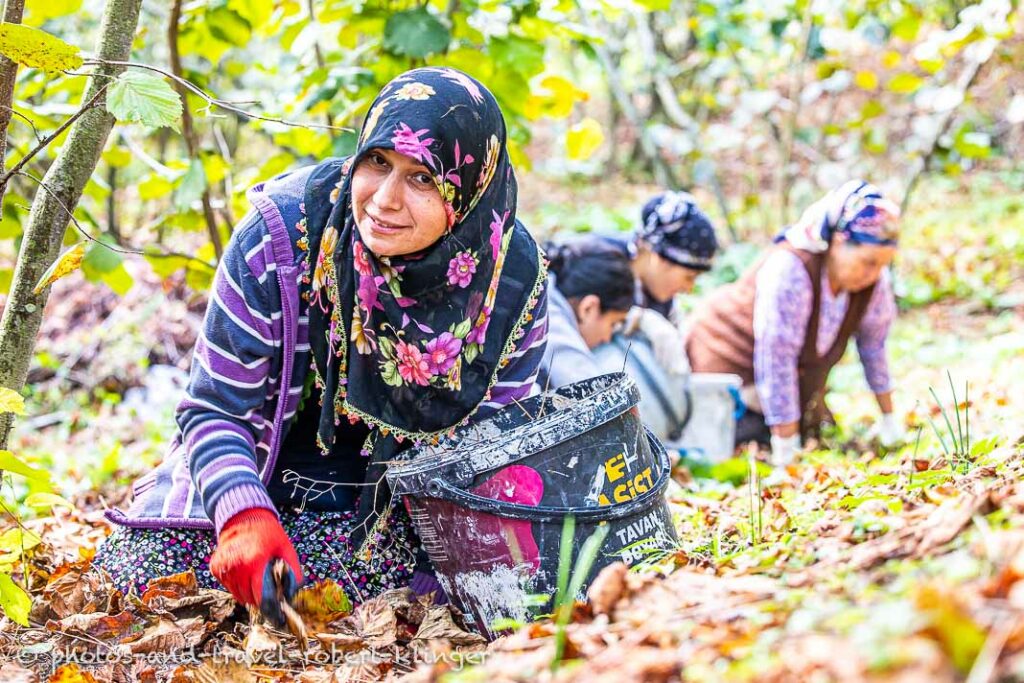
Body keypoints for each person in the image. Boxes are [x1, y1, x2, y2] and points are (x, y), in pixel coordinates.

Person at [94, 68, 548, 625]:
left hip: (392, 515)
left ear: (468, 191)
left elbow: (498, 450)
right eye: (378, 162)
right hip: (260, 478)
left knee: (431, 593)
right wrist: (241, 516)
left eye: (423, 180)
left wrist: (448, 577)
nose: (383, 200)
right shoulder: (279, 235)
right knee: (145, 570)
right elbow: (214, 408)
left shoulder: (508, 278)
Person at [686, 180, 903, 465]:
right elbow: (777, 359)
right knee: (741, 442)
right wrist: (786, 452)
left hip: (787, 382)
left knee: (816, 434)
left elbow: (874, 347)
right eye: (868, 262)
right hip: (728, 357)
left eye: (883, 264)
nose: (874, 273)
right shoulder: (791, 269)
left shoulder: (874, 283)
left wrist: (889, 418)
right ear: (838, 243)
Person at [537, 239, 634, 388]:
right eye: (612, 324)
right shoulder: (551, 323)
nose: (607, 338)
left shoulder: (544, 289)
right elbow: (594, 400)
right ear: (588, 308)